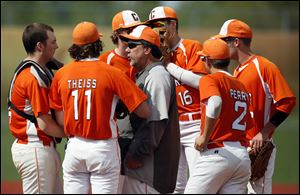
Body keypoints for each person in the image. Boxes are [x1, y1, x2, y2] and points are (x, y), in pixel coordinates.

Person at [48, 21, 150, 194]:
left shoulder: (61, 74)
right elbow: (144, 111)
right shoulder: (112, 72)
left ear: (76, 46)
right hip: (103, 148)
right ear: (97, 44)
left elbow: (60, 117)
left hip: (74, 146)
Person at [215, 19, 296, 194]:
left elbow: (287, 101)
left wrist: (265, 132)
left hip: (258, 147)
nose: (221, 45)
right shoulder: (236, 72)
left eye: (224, 41)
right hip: (239, 150)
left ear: (236, 42)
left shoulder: (264, 67)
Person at [146, 6, 208, 193]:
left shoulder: (191, 47)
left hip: (195, 122)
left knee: (199, 180)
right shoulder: (153, 53)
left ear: (173, 24)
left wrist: (169, 65)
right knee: (175, 184)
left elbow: (200, 82)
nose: (156, 29)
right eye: (152, 25)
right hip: (171, 125)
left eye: (160, 24)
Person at [184, 38, 253, 193]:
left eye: (203, 58)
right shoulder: (240, 85)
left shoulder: (210, 79)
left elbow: (215, 102)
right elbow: (247, 124)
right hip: (241, 157)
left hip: (218, 153)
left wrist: (204, 136)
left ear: (206, 60)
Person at [118, 25, 180, 194]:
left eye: (132, 45)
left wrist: (136, 155)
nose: (127, 50)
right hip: (142, 170)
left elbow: (156, 122)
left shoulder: (157, 75)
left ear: (146, 49)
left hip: (149, 171)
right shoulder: (146, 74)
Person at [7, 23, 66, 194]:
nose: (56, 46)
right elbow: (45, 124)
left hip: (40, 148)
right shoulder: (33, 77)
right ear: (40, 46)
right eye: (53, 42)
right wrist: (74, 134)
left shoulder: (35, 68)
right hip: (35, 149)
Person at [99, 9, 143, 193]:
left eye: (136, 28)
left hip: (141, 129)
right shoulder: (106, 60)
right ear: (117, 34)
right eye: (129, 29)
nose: (134, 33)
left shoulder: (143, 57)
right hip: (116, 131)